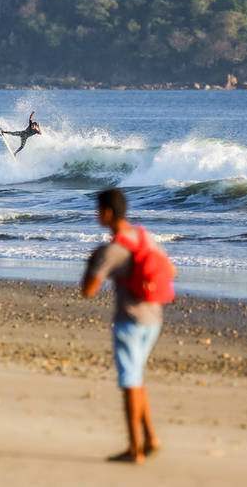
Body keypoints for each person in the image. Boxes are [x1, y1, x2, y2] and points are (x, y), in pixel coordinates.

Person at [80, 188, 165, 463]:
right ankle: (150, 438)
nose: (96, 215)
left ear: (106, 212)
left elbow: (88, 290)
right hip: (153, 317)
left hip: (130, 321)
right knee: (136, 378)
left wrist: (92, 261)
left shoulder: (113, 249)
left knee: (129, 382)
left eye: (97, 210)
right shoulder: (144, 236)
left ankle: (134, 449)